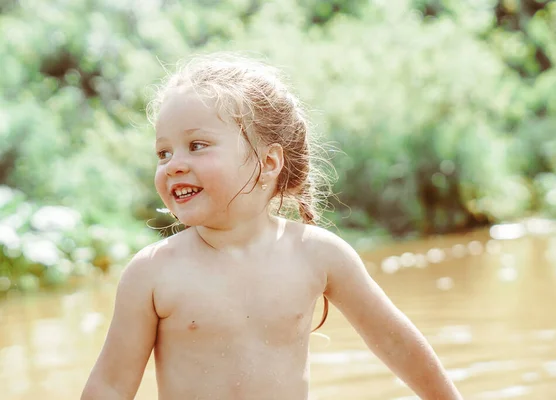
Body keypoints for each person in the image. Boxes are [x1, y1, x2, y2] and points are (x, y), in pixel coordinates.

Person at [81, 53, 463, 400]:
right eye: (163, 152)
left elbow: (395, 342)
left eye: (197, 145)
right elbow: (112, 385)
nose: (174, 164)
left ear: (268, 162)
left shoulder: (317, 254)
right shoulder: (153, 272)